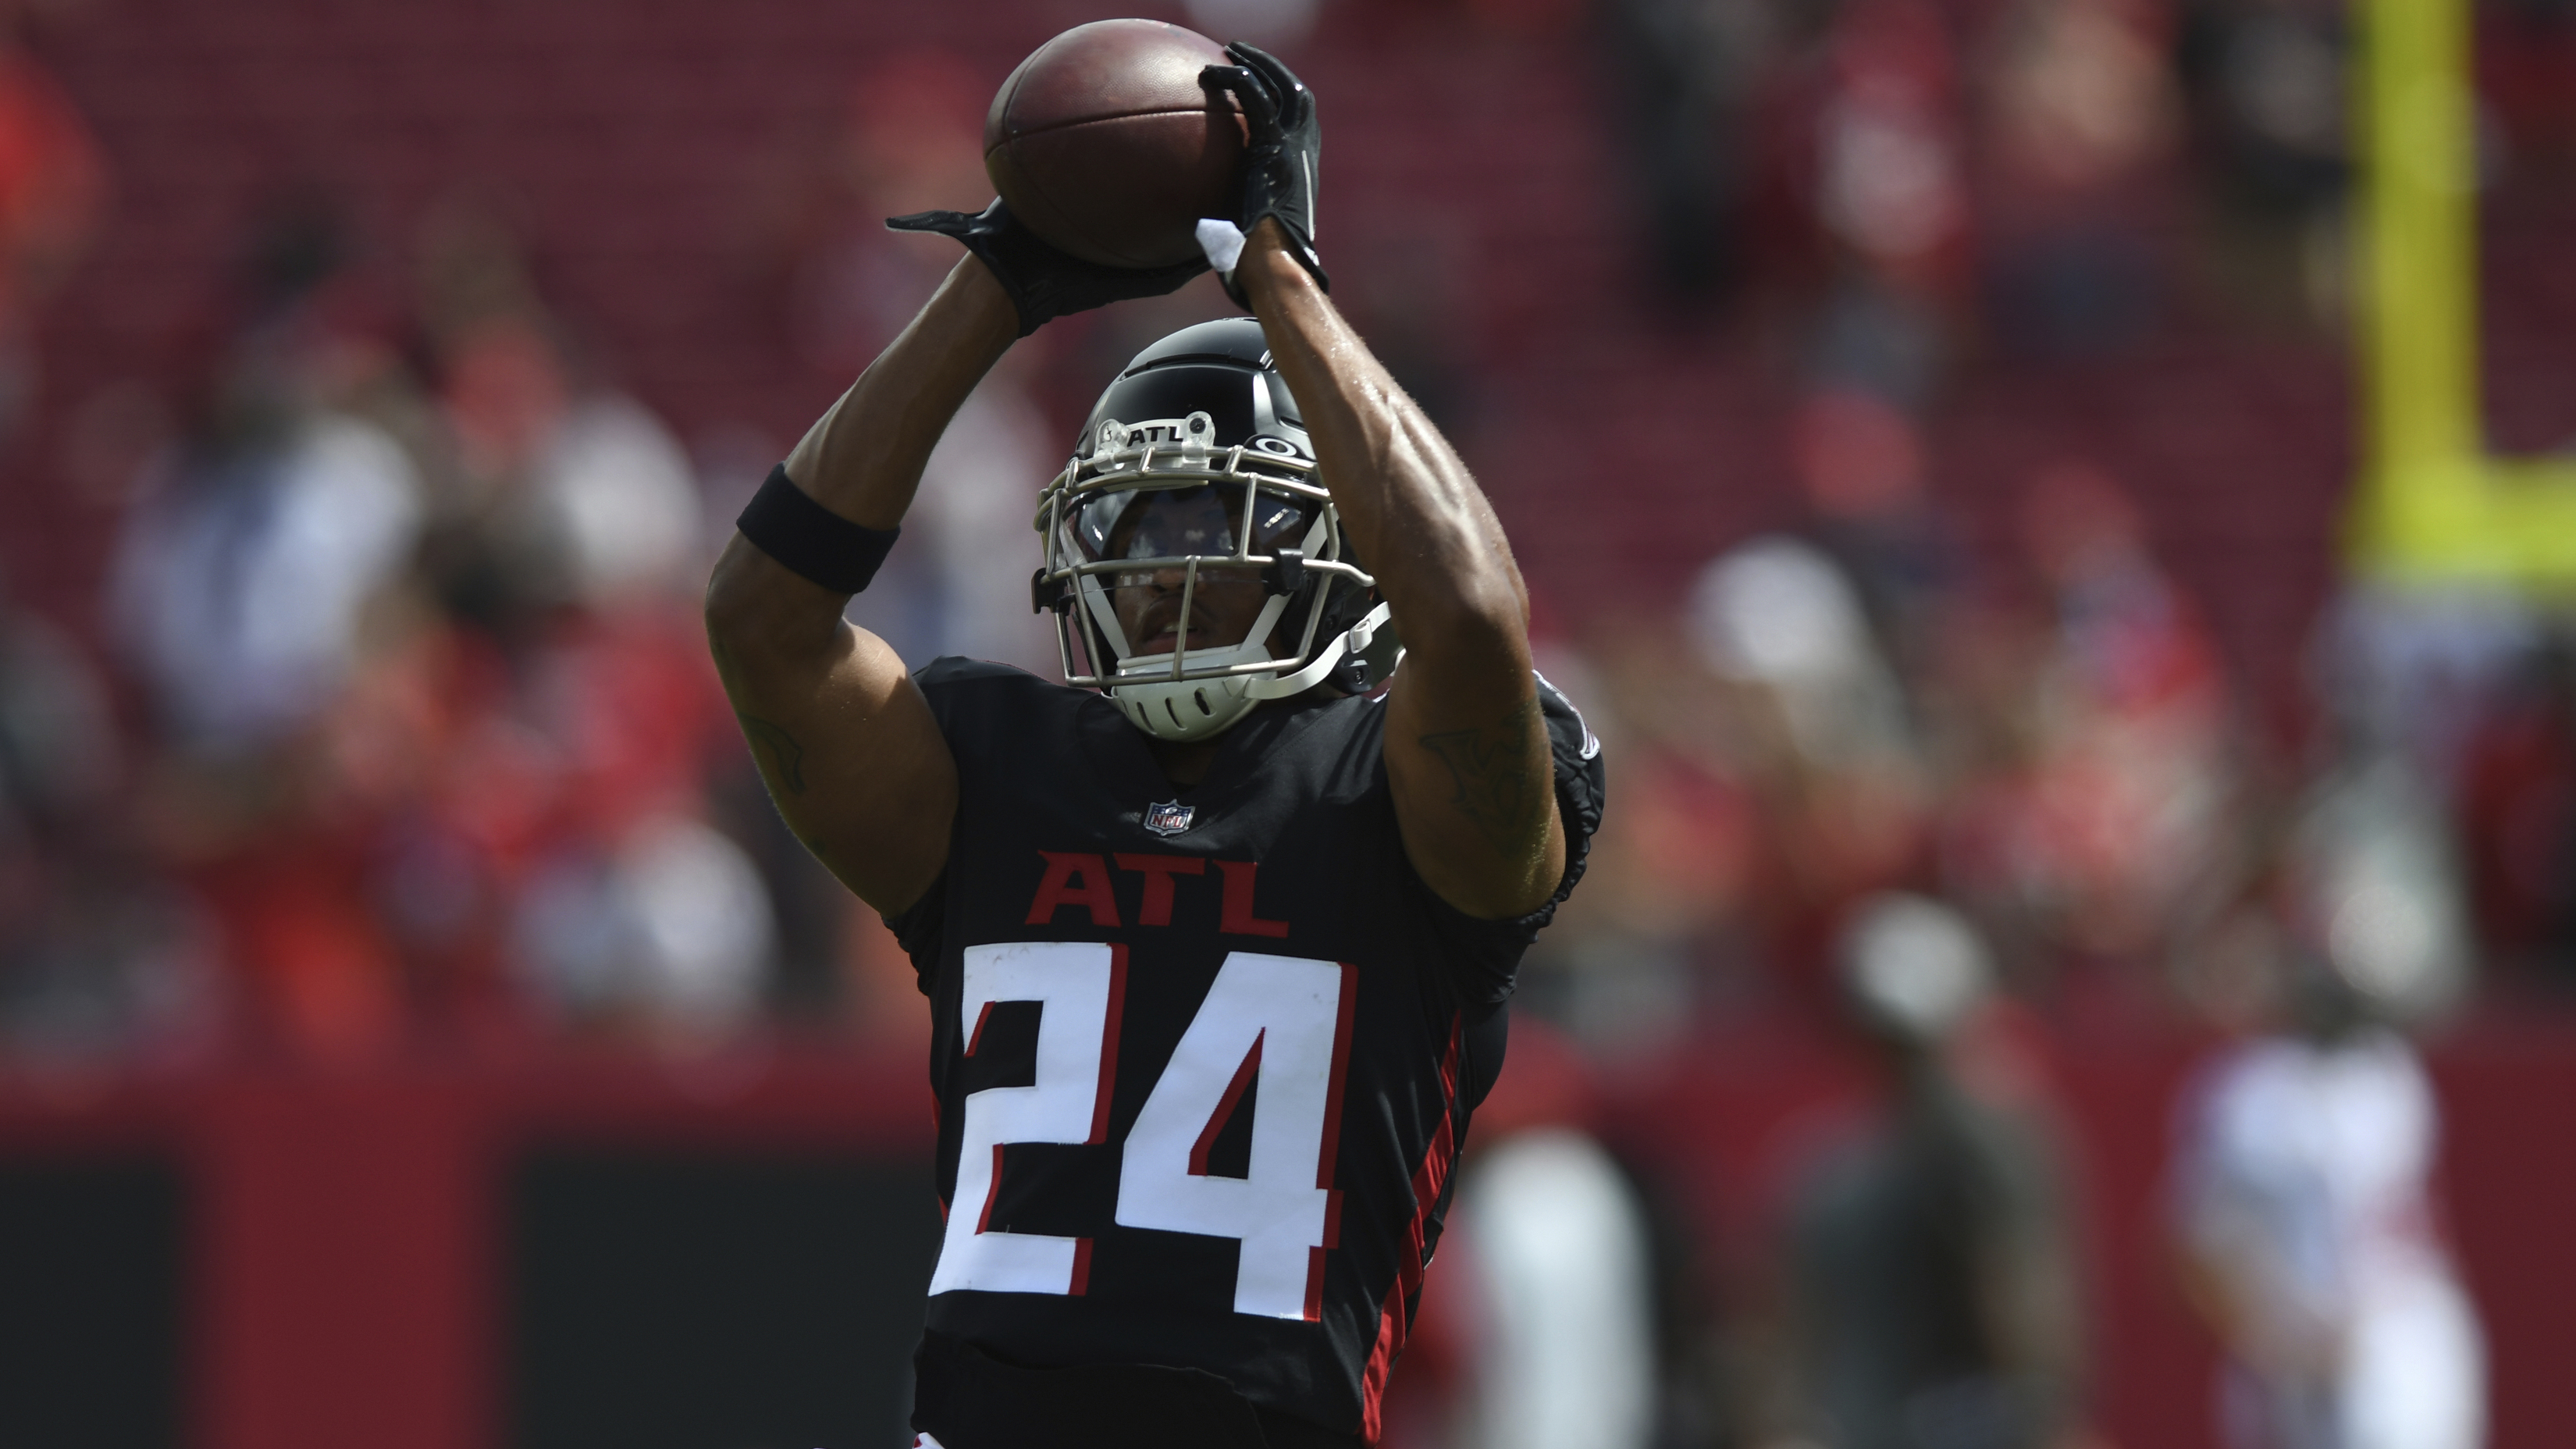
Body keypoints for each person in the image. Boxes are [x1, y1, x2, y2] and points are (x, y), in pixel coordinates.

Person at [700, 45, 1604, 1449]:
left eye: (1217, 523)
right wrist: (993, 289)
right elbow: (763, 620)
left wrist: (1277, 274)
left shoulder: (1406, 788)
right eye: (1142, 524)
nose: (1169, 566)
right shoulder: (990, 759)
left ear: (1340, 545)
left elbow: (1474, 610)